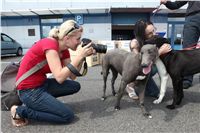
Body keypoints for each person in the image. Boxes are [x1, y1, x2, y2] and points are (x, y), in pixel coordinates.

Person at [10, 20, 95, 127]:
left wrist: (82, 58)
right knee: (67, 115)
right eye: (77, 39)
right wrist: (78, 56)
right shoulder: (49, 44)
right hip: (28, 91)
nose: (79, 42)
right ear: (66, 38)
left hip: (42, 84)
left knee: (75, 86)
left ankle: (43, 104)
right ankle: (20, 111)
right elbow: (59, 77)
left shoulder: (64, 50)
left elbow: (73, 76)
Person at [126, 19, 172, 99]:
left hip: (147, 70)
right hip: (136, 70)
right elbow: (139, 64)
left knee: (155, 92)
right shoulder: (135, 43)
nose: (154, 34)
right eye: (150, 33)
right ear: (142, 35)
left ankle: (142, 83)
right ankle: (130, 85)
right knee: (151, 68)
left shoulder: (152, 40)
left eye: (154, 30)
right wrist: (160, 52)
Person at [160, 0, 200, 89]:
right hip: (192, 17)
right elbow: (176, 4)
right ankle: (187, 78)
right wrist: (167, 2)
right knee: (188, 49)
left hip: (192, 18)